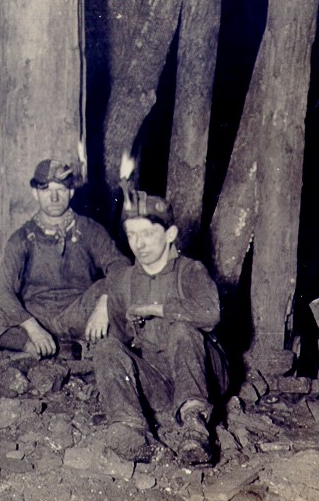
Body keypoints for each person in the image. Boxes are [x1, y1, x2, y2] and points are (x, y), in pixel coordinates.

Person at [91, 188, 228, 466]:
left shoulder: (190, 271)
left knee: (181, 329)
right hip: (160, 382)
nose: (139, 244)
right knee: (106, 347)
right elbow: (121, 340)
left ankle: (194, 427)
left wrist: (157, 309)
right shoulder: (123, 282)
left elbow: (211, 314)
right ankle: (132, 430)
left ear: (170, 234)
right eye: (132, 235)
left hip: (203, 375)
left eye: (148, 234)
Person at [0, 158, 129, 358]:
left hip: (79, 313)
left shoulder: (90, 230)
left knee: (116, 294)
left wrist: (104, 305)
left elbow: (120, 265)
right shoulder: (22, 238)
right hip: (37, 315)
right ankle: (39, 347)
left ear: (71, 192)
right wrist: (32, 329)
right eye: (46, 190)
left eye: (60, 189)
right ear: (35, 193)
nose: (54, 198)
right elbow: (2, 290)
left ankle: (70, 347)